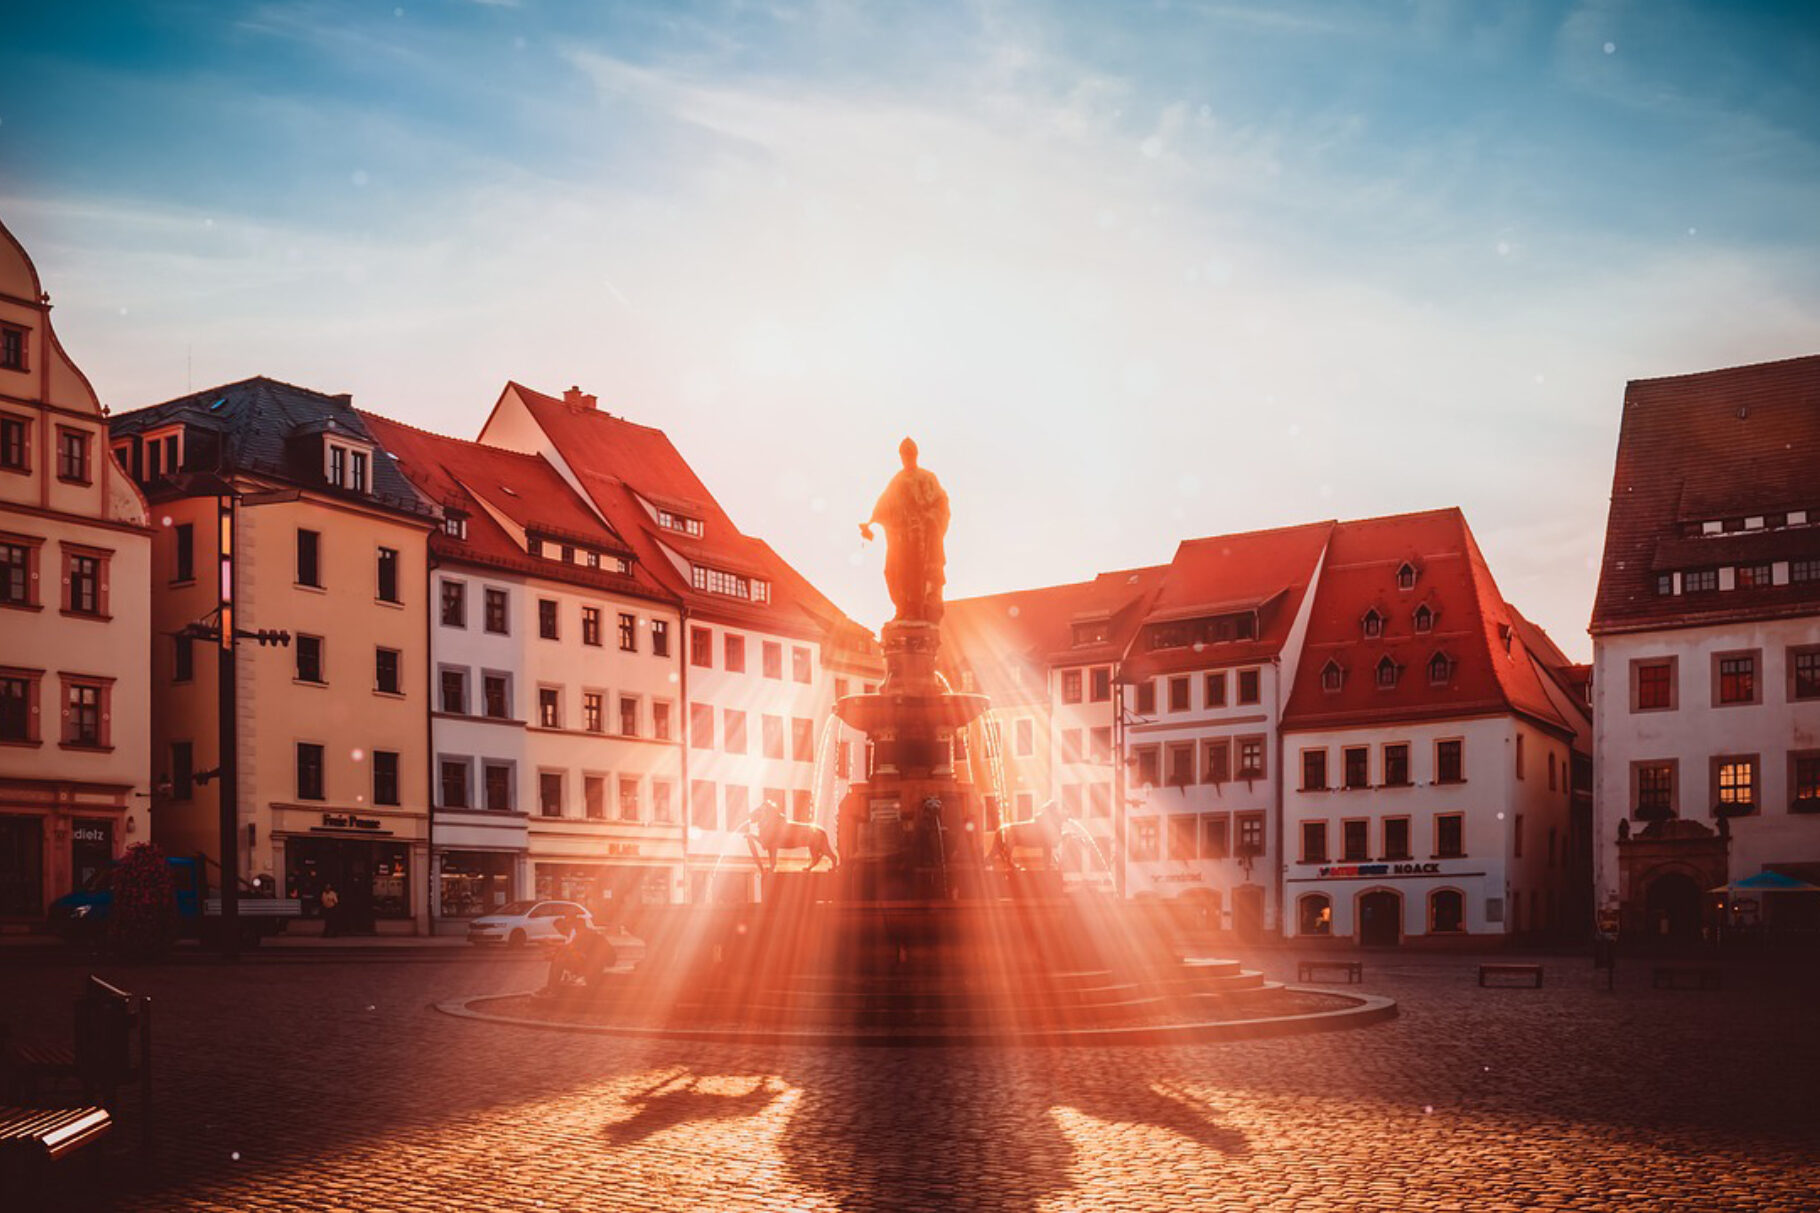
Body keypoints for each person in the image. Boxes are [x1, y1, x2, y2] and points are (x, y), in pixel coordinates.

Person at [861, 437, 950, 623]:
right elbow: (884, 505)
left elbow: (942, 503)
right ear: (901, 456)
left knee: (917, 575)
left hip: (921, 539)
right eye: (904, 455)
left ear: (915, 455)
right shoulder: (898, 480)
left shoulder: (927, 478)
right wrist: (871, 522)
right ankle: (902, 608)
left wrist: (930, 519)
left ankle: (916, 610)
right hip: (900, 539)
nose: (907, 458)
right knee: (891, 572)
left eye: (910, 454)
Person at [542, 916, 617, 994]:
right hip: (595, 964)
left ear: (577, 926)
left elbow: (568, 948)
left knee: (559, 961)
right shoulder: (589, 932)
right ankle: (551, 987)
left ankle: (552, 988)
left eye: (574, 927)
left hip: (593, 967)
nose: (573, 929)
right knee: (559, 958)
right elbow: (572, 949)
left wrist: (551, 945)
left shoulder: (584, 934)